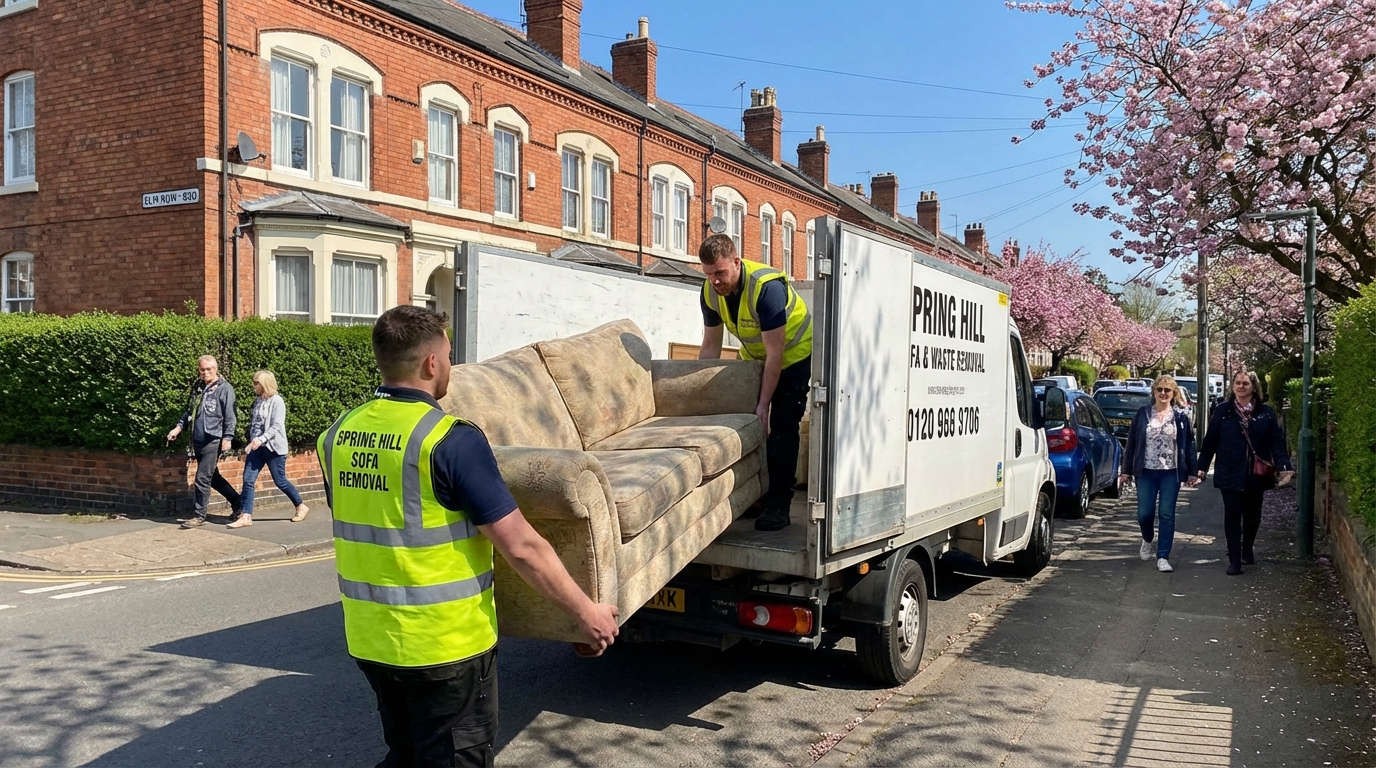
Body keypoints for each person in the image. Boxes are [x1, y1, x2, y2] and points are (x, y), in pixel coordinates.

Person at [319, 305, 620, 767]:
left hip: (373, 641)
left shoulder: (336, 435)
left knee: (406, 754)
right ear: (431, 363)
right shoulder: (449, 440)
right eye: (448, 354)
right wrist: (587, 612)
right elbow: (521, 545)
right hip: (446, 648)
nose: (451, 366)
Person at [697, 234, 813, 532]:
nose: (715, 282)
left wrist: (763, 405)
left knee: (781, 427)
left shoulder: (766, 289)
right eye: (709, 275)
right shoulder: (710, 292)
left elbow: (775, 355)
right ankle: (755, 496)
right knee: (746, 427)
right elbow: (710, 346)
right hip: (753, 358)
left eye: (720, 273)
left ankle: (779, 506)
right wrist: (699, 398)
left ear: (736, 262)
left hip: (792, 357)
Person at [1196, 370, 1295, 575]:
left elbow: (1276, 442)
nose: (1241, 386)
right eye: (1238, 383)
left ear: (1254, 387)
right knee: (1232, 514)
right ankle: (1234, 560)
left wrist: (1284, 466)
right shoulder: (1223, 411)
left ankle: (1247, 549)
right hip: (1229, 470)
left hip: (1256, 473)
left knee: (1252, 515)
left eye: (1246, 384)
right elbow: (1210, 441)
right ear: (1233, 386)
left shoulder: (1265, 412)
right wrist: (1201, 468)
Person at [1118, 375, 1200, 573]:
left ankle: (1163, 556)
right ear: (1153, 391)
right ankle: (1147, 539)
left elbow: (1189, 446)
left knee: (1167, 514)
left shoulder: (1180, 418)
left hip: (1170, 473)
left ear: (1173, 394)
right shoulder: (1142, 414)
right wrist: (1125, 471)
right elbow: (1132, 444)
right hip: (1145, 472)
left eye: (1168, 390)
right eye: (1160, 389)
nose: (1163, 393)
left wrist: (1192, 472)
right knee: (1144, 515)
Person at [167, 355, 242, 528]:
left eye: (209, 369)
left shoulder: (224, 388)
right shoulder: (198, 387)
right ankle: (238, 503)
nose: (205, 372)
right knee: (212, 477)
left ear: (216, 369)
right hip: (198, 439)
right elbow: (190, 412)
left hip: (213, 438)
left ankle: (199, 516)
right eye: (202, 369)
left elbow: (230, 415)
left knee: (202, 478)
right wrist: (178, 428)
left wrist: (228, 438)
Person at [227, 370, 309, 529]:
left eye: (256, 383)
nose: (254, 386)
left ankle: (301, 506)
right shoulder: (258, 401)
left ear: (264, 384)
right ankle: (246, 516)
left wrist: (261, 439)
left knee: (280, 481)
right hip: (257, 448)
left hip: (274, 449)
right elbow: (255, 424)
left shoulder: (277, 401)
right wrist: (253, 441)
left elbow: (277, 425)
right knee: (248, 480)